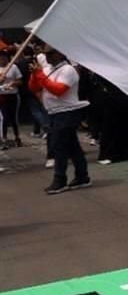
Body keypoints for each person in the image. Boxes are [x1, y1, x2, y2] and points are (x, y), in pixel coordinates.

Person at [28, 48, 91, 194]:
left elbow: (58, 90)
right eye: (46, 54)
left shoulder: (68, 70)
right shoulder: (48, 69)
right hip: (54, 112)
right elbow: (34, 87)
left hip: (66, 112)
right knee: (72, 147)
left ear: (60, 54)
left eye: (51, 54)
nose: (47, 57)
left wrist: (39, 75)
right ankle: (82, 176)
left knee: (59, 146)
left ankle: (60, 179)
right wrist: (34, 75)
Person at [0, 51, 23, 148]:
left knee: (14, 117)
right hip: (1, 96)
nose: (2, 60)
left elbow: (20, 81)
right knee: (3, 118)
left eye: (4, 58)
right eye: (1, 58)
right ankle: (3, 138)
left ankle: (17, 137)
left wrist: (12, 84)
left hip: (13, 95)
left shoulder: (13, 67)